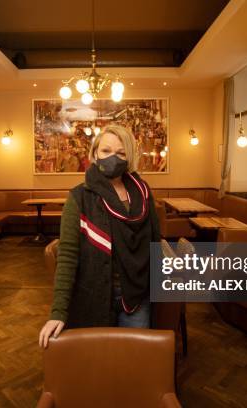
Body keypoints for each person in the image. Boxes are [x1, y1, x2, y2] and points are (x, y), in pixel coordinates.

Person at [39, 125, 161, 348]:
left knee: (134, 359)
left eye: (121, 153)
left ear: (129, 157)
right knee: (98, 361)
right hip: (93, 294)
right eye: (106, 151)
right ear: (95, 153)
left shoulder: (143, 192)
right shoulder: (79, 197)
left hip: (137, 294)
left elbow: (155, 242)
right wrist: (58, 312)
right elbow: (67, 257)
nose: (113, 158)